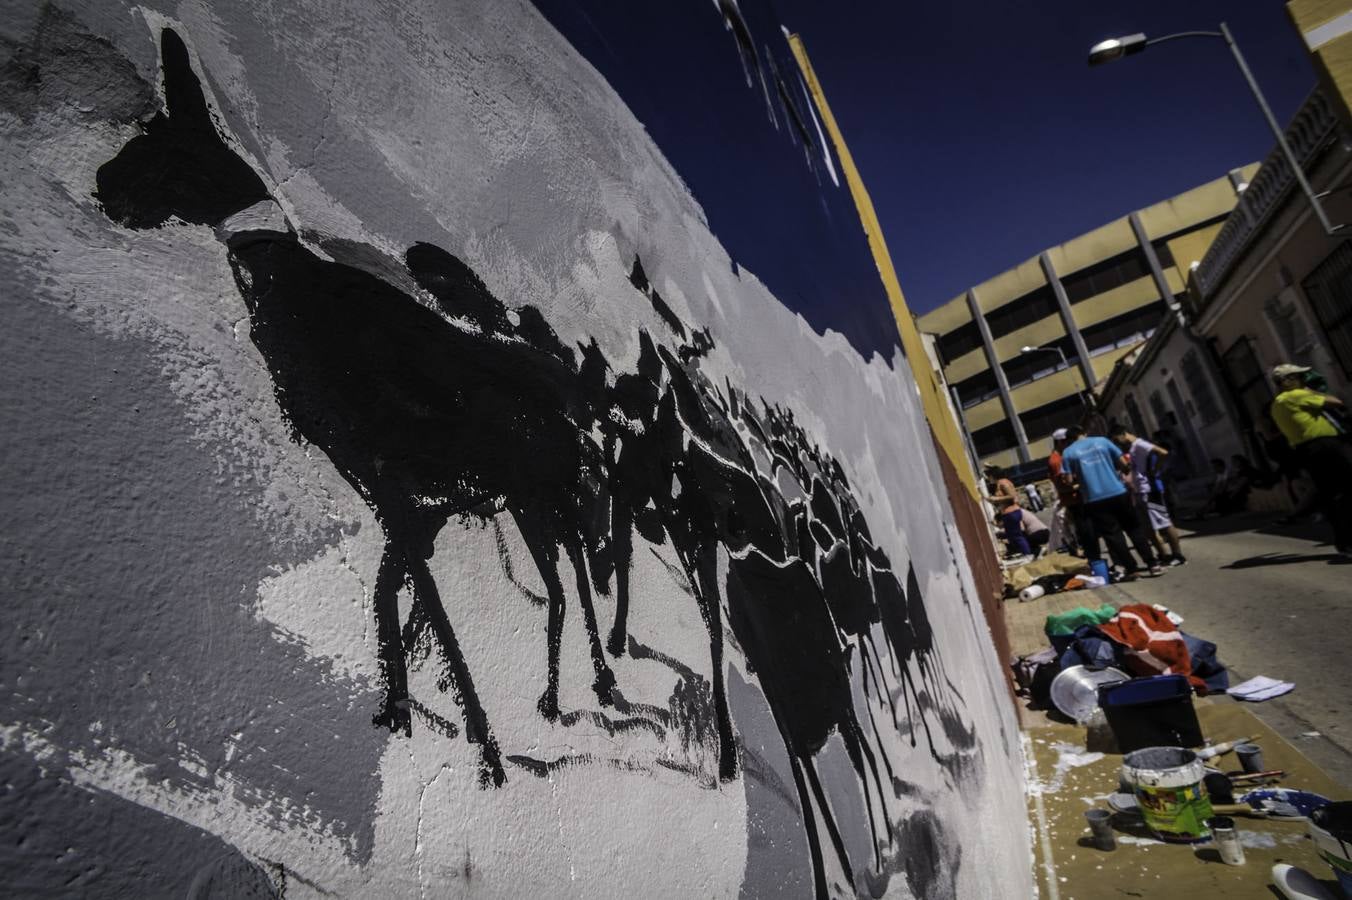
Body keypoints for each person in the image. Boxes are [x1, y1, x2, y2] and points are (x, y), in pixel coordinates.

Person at [1269, 363, 1352, 554]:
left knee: (1330, 494)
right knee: (1346, 488)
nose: (1302, 380)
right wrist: (1312, 390)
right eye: (1298, 377)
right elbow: (1337, 402)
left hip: (1307, 450)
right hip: (1326, 446)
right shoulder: (1296, 395)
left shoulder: (1277, 404)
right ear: (1286, 381)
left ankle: (1344, 541)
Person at [1061, 428, 1163, 579]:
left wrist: (1081, 478)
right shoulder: (1102, 441)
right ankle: (1152, 564)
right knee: (1134, 529)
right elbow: (1124, 465)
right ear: (1084, 433)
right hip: (1118, 492)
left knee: (1113, 536)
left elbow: (1068, 481)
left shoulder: (1068, 452)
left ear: (1069, 439)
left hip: (1094, 499)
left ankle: (1132, 570)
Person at [1109, 424, 1186, 566]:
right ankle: (1163, 554)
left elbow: (1162, 452)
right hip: (1140, 490)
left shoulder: (1140, 444)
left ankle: (1178, 554)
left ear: (1123, 434)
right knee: (1148, 528)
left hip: (1150, 489)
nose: (1117, 443)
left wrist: (1155, 470)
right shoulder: (1132, 448)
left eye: (1116, 439)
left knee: (1164, 523)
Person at [1046, 428, 1084, 556]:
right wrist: (1081, 485)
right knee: (1078, 536)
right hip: (1071, 501)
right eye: (1069, 441)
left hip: (1073, 499)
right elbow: (1062, 486)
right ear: (1061, 442)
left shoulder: (1061, 456)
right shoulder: (1056, 461)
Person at [984, 464, 1027, 556]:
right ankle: (1023, 553)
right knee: (1012, 536)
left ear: (993, 475)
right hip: (1008, 513)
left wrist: (996, 499)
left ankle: (1027, 553)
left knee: (1016, 536)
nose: (988, 478)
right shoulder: (1000, 483)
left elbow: (1011, 496)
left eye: (989, 476)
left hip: (1011, 512)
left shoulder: (1003, 482)